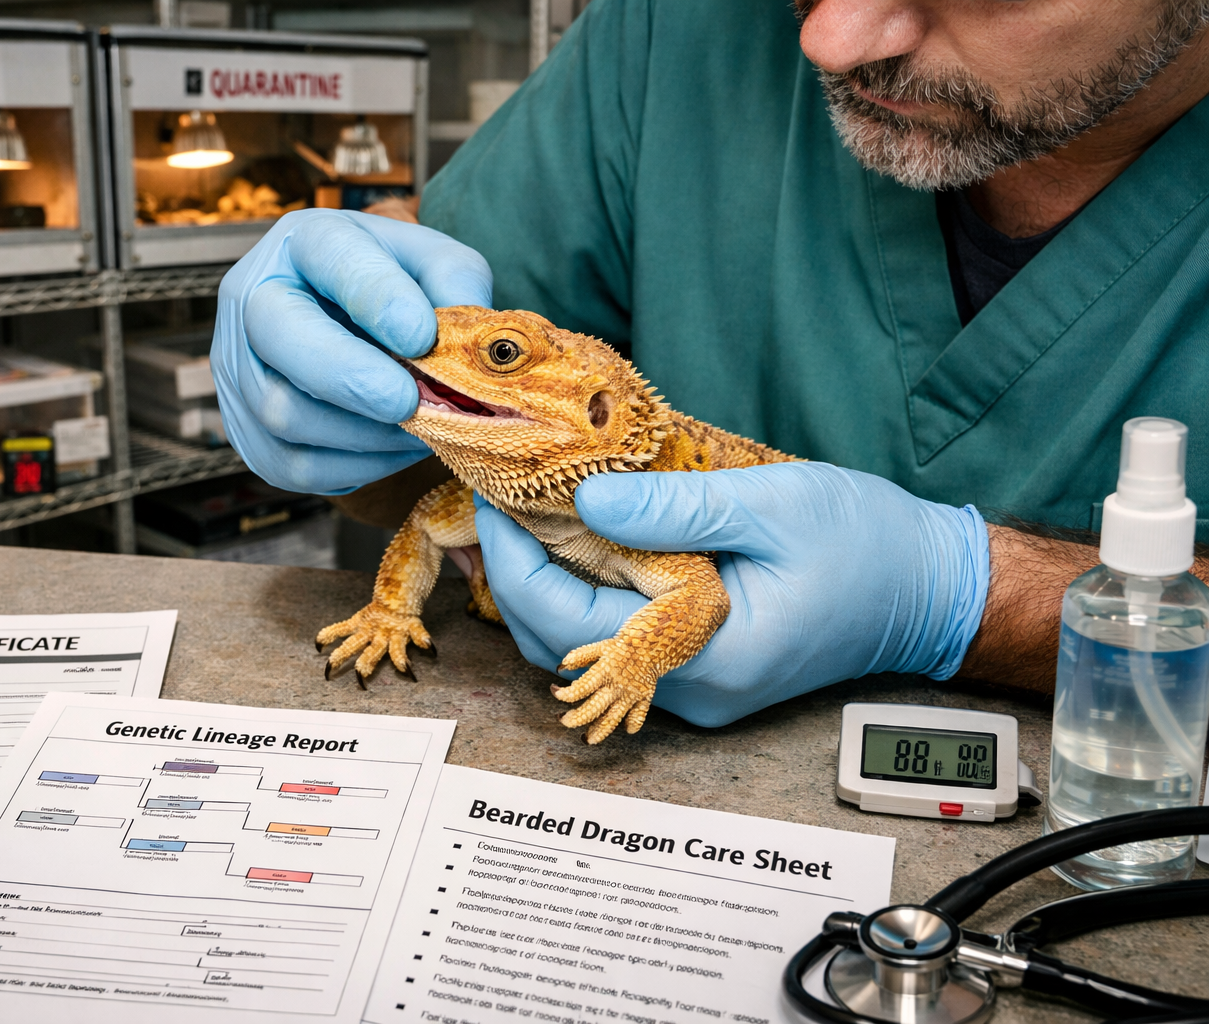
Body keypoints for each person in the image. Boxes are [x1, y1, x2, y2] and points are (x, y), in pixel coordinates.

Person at [211, 0, 1209, 727]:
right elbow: (423, 441)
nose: (833, 39)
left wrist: (971, 594)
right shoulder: (676, 27)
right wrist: (320, 374)